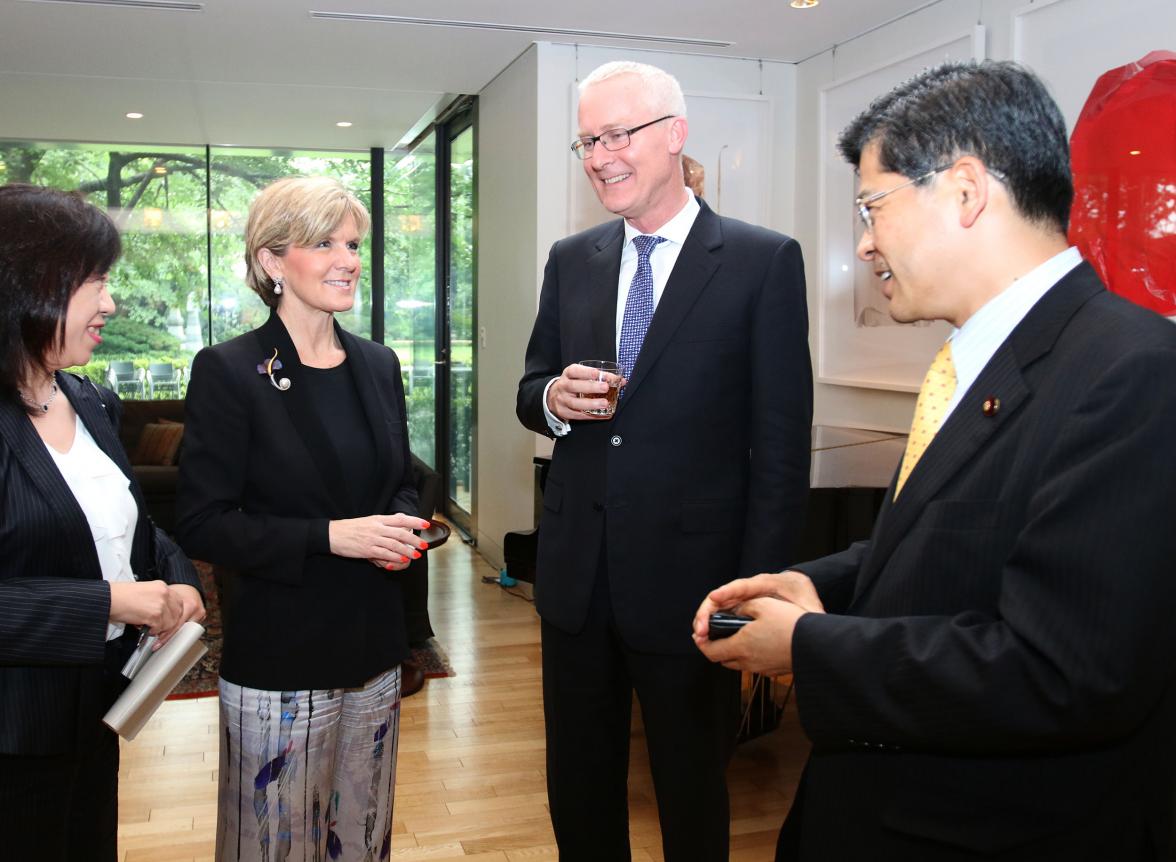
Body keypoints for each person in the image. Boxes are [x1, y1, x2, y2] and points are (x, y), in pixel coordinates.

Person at [694, 60, 1176, 861]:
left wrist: (808, 647)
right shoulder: (978, 359)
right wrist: (828, 583)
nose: (864, 242)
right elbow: (955, 538)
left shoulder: (1134, 372)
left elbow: (1061, 675)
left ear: (964, 190)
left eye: (872, 206)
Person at [517, 60, 812, 861]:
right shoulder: (571, 258)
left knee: (690, 789)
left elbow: (781, 448)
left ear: (675, 136)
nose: (601, 156)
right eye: (588, 141)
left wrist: (754, 595)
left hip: (694, 588)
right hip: (577, 579)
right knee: (577, 783)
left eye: (618, 135)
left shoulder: (761, 261)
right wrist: (552, 400)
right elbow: (529, 386)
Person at [175, 176, 428, 861]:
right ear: (271, 262)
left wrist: (402, 528)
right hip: (281, 657)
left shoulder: (379, 365)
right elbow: (201, 520)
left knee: (362, 838)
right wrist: (331, 538)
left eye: (352, 243)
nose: (348, 258)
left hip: (374, 653)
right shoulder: (229, 371)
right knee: (273, 845)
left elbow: (402, 483)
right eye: (324, 243)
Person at [0, 183, 205, 862]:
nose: (111, 303)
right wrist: (112, 602)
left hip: (97, 713)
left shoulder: (89, 400)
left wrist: (178, 582)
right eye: (96, 281)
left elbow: (136, 528)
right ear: (33, 285)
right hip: (14, 736)